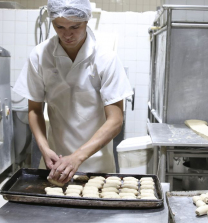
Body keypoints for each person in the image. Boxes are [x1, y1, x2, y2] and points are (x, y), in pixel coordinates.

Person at [13, 0, 133, 184]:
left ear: (86, 22)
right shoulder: (40, 55)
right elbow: (34, 109)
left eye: (75, 27)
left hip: (97, 166)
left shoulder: (105, 59)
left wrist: (77, 157)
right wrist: (45, 149)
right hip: (56, 165)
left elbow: (116, 120)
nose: (67, 34)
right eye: (59, 26)